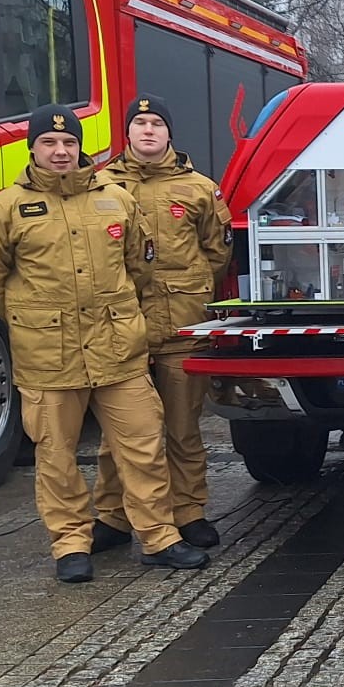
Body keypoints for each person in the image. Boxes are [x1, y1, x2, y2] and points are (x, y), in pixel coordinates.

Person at [0, 105, 210, 582]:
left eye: (69, 144)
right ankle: (71, 543)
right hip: (49, 355)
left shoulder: (115, 199)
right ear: (32, 148)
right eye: (50, 144)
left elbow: (140, 264)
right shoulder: (5, 208)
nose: (61, 152)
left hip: (117, 348)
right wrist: (31, 316)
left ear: (81, 148)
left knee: (142, 444)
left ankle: (160, 536)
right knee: (56, 453)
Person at [91, 96, 235, 551]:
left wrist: (189, 291)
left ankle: (188, 510)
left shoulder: (198, 189)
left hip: (180, 328)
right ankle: (114, 516)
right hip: (119, 328)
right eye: (139, 123)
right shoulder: (98, 187)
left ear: (169, 133)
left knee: (182, 427)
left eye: (156, 123)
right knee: (121, 432)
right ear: (126, 133)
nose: (148, 131)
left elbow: (217, 253)